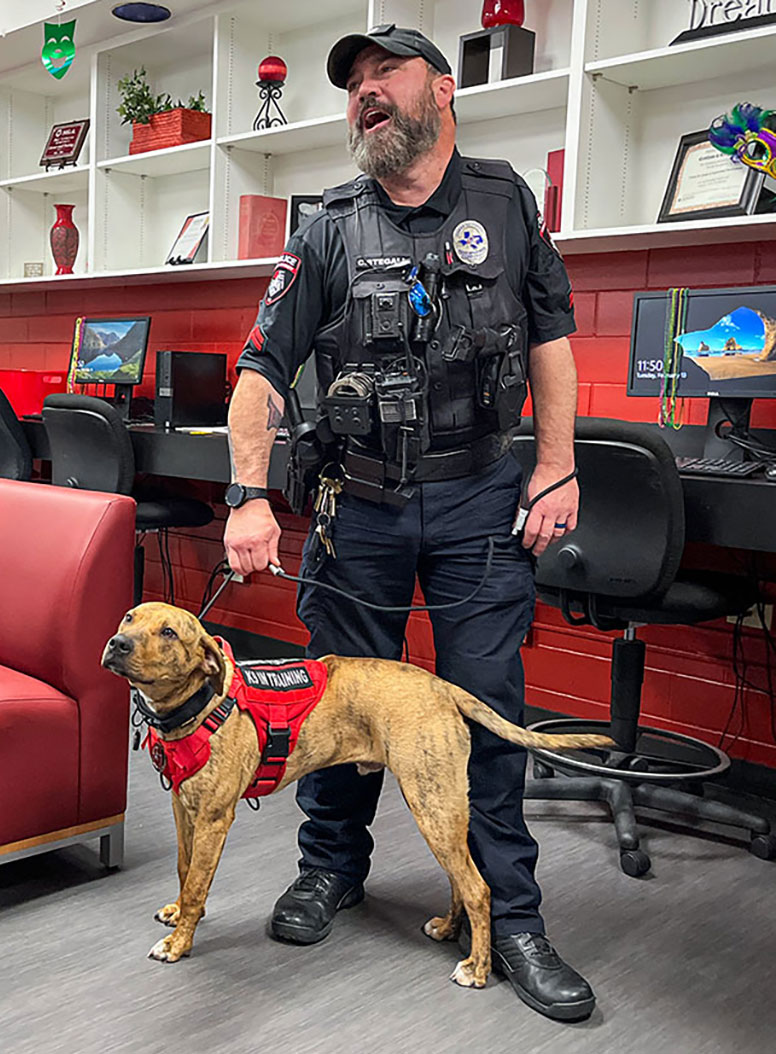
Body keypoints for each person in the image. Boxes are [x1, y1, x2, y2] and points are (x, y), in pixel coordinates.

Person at [223, 25, 593, 1022]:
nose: (365, 93)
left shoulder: (508, 203)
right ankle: (331, 868)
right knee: (340, 708)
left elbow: (553, 336)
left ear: (443, 89)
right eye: (354, 82)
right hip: (360, 509)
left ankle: (511, 914)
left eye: (385, 74)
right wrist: (247, 491)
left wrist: (558, 466)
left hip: (477, 496)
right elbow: (260, 364)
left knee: (482, 708)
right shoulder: (331, 224)